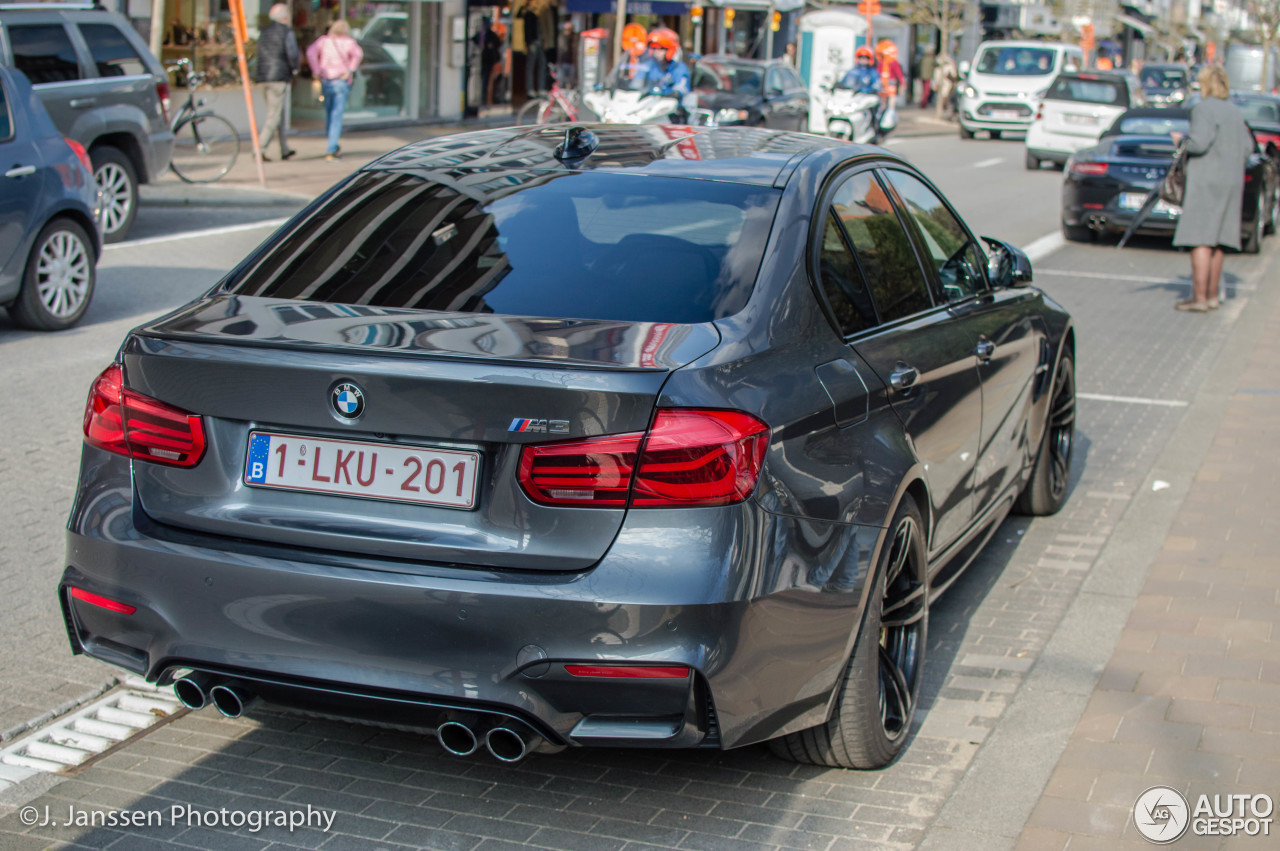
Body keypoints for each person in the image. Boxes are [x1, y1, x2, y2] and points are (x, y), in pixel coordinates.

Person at [1171, 65, 1253, 312]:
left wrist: (1181, 140)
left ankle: (1199, 298)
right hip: (1231, 180)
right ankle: (1213, 295)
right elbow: (1248, 148)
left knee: (1200, 238)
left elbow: (1199, 143)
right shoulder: (1235, 112)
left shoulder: (1202, 108)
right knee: (1219, 240)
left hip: (1207, 180)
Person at [306, 19, 363, 161]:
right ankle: (332, 147)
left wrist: (317, 70)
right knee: (336, 115)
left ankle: (332, 143)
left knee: (329, 113)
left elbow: (310, 53)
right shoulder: (349, 43)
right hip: (341, 80)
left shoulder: (324, 41)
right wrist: (350, 70)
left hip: (327, 80)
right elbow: (358, 54)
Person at [253, 3, 298, 162]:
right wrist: (294, 68)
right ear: (285, 17)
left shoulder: (264, 32)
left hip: (264, 76)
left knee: (278, 114)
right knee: (274, 116)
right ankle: (259, 148)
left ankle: (284, 148)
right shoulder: (286, 32)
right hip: (278, 77)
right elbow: (292, 53)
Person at [638, 28, 689, 98]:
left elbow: (682, 87)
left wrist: (676, 93)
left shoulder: (679, 68)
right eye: (654, 48)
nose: (656, 52)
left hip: (670, 105)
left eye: (661, 49)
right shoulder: (649, 65)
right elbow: (637, 82)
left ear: (670, 49)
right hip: (649, 104)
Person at [934, 52, 957, 119]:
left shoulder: (940, 63)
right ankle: (942, 110)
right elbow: (953, 74)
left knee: (944, 97)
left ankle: (942, 110)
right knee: (944, 96)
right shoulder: (949, 63)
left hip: (945, 83)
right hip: (946, 83)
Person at [555, 20, 576, 89]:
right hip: (563, 63)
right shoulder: (561, 37)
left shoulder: (575, 38)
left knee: (572, 83)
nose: (567, 31)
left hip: (572, 63)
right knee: (562, 83)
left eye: (569, 29)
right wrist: (558, 63)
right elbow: (560, 51)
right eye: (565, 29)